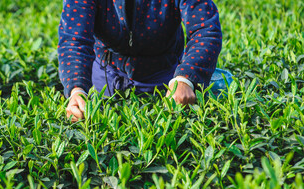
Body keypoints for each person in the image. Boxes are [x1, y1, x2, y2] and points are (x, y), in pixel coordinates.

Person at [58, 0, 229, 122]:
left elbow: (205, 28)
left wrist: (186, 79)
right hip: (106, 76)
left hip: (166, 75)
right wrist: (76, 89)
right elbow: (74, 40)